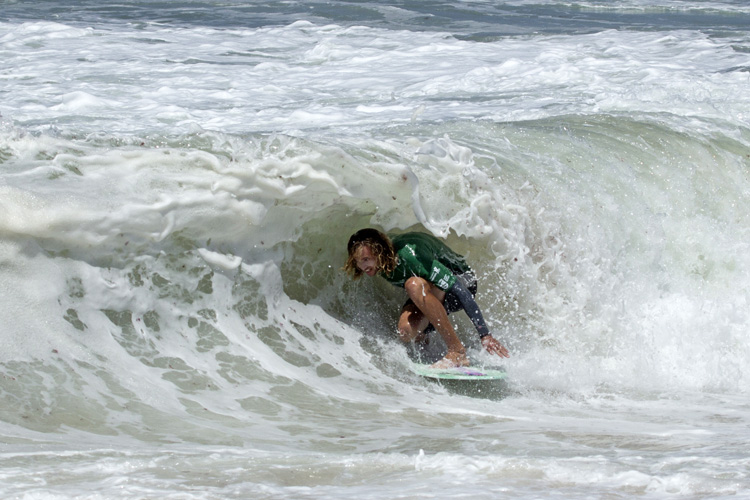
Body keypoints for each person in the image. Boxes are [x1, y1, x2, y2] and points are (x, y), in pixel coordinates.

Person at [344, 228, 509, 368]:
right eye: (358, 261)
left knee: (413, 285)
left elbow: (461, 291)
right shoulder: (382, 264)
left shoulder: (411, 258)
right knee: (406, 332)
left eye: (366, 259)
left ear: (380, 251)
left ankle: (457, 351)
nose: (363, 266)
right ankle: (428, 347)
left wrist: (484, 334)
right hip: (435, 288)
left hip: (463, 281)